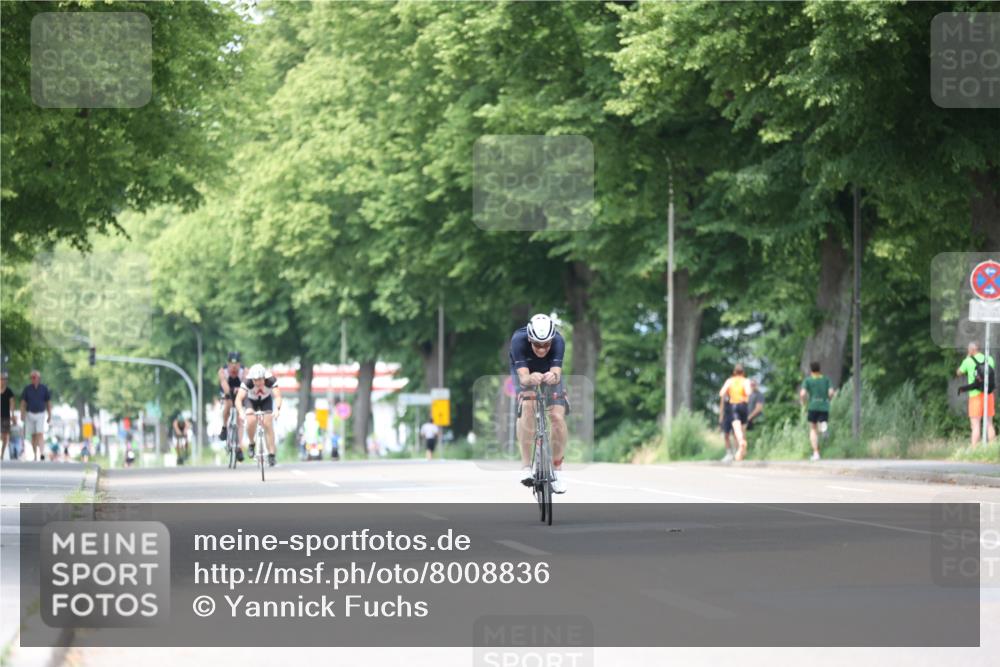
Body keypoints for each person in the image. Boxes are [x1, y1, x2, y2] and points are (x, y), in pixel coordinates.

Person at [509, 314, 568, 494]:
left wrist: (553, 376)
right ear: (529, 339)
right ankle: (526, 466)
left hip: (548, 372)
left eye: (546, 345)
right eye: (537, 344)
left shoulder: (558, 341)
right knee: (528, 405)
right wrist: (529, 378)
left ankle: (557, 469)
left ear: (552, 340)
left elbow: (556, 373)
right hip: (525, 372)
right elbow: (523, 378)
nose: (542, 349)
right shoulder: (518, 340)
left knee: (557, 416)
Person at [235, 363, 283, 467]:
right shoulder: (247, 382)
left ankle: (271, 454)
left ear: (264, 378)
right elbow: (238, 399)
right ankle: (251, 443)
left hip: (266, 400)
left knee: (268, 423)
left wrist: (277, 409)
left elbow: (278, 396)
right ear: (252, 379)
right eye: (255, 380)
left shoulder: (271, 380)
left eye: (260, 380)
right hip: (251, 401)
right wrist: (241, 412)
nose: (258, 383)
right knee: (251, 419)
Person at [956, 342, 996, 446]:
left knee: (975, 425)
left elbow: (959, 372)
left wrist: (967, 358)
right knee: (989, 424)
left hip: (975, 396)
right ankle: (992, 448)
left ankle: (974, 449)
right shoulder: (989, 359)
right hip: (988, 394)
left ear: (971, 350)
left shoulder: (968, 361)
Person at [800, 361, 835, 461]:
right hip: (824, 405)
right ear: (820, 369)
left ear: (811, 369)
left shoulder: (808, 380)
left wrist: (803, 403)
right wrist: (829, 399)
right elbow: (831, 392)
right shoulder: (826, 379)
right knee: (822, 422)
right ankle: (824, 427)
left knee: (813, 429)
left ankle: (816, 453)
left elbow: (802, 394)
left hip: (813, 406)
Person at [718, 364, 751, 461]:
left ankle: (740, 443)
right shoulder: (746, 381)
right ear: (743, 373)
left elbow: (721, 393)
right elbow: (749, 392)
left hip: (734, 406)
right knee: (743, 429)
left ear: (734, 372)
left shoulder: (730, 381)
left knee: (737, 428)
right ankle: (741, 452)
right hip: (744, 405)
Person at [20, 370, 52, 461]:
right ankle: (35, 455)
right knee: (33, 436)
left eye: (34, 377)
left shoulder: (44, 388)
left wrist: (50, 415)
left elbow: (48, 403)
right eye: (32, 377)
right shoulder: (27, 389)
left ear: (38, 378)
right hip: (30, 414)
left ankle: (41, 453)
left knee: (40, 433)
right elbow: (23, 402)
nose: (33, 379)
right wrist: (22, 414)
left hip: (41, 413)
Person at [218, 352, 245, 447]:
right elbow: (223, 383)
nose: (234, 367)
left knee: (239, 418)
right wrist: (229, 393)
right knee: (228, 404)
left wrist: (240, 392)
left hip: (239, 390)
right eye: (231, 364)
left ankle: (239, 446)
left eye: (236, 364)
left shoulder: (244, 371)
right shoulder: (223, 371)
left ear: (239, 364)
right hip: (227, 389)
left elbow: (245, 383)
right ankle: (224, 427)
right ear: (228, 363)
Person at [745, 378, 765, 452]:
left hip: (756, 419)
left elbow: (758, 408)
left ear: (757, 385)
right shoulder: (748, 395)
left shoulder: (759, 395)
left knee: (757, 437)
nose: (752, 386)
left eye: (754, 384)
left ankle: (758, 450)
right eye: (751, 384)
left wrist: (749, 417)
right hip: (748, 419)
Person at [1, 372, 16, 460]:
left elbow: (12, 403)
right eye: (1, 379)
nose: (3, 381)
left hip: (6, 417)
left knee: (4, 436)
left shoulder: (9, 391)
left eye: (4, 379)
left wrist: (12, 415)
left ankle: (2, 454)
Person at [718, 395, 735, 462]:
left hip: (735, 415)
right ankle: (729, 454)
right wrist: (720, 420)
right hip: (726, 417)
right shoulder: (724, 394)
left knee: (736, 435)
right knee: (726, 435)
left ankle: (736, 453)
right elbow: (722, 406)